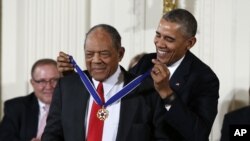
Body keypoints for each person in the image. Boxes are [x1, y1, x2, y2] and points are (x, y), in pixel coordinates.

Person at [56, 8, 220, 141]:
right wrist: (77, 79)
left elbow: (198, 134)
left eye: (169, 39)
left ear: (189, 43)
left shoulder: (204, 78)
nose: (160, 44)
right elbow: (116, 84)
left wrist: (167, 94)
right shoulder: (146, 62)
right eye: (158, 35)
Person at [42, 24, 168, 141]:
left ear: (120, 54)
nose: (96, 60)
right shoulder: (67, 88)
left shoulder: (146, 91)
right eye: (89, 54)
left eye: (104, 54)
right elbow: (51, 136)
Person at [0, 59, 60, 141]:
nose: (48, 86)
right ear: (32, 83)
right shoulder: (15, 107)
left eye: (54, 80)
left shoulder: (73, 107)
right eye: (42, 81)